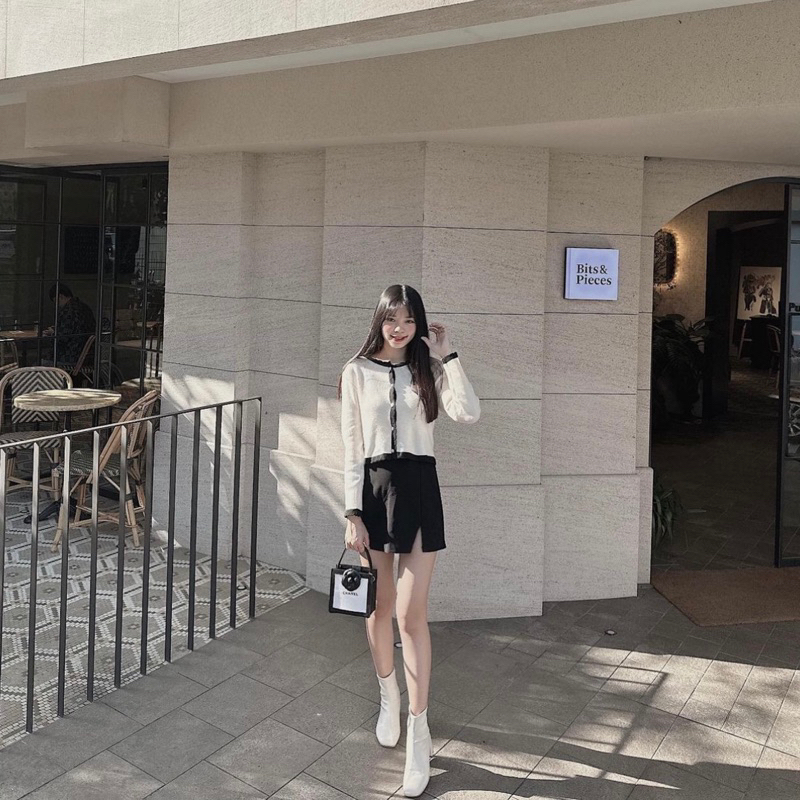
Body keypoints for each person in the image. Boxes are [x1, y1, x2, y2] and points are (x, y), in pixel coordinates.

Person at [338, 284, 480, 797]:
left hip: (420, 489)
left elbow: (468, 412)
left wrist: (449, 356)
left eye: (409, 320)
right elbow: (351, 445)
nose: (399, 328)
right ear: (379, 319)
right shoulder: (356, 371)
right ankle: (388, 696)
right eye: (391, 318)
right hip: (375, 492)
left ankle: (419, 734)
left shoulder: (430, 370)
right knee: (380, 608)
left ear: (420, 324)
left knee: (409, 614)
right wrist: (352, 513)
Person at [45, 283, 96, 369]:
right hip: (87, 355)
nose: (57, 305)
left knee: (37, 365)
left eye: (56, 301)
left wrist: (52, 333)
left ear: (60, 296)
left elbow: (63, 337)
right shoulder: (83, 307)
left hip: (71, 355)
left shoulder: (68, 311)